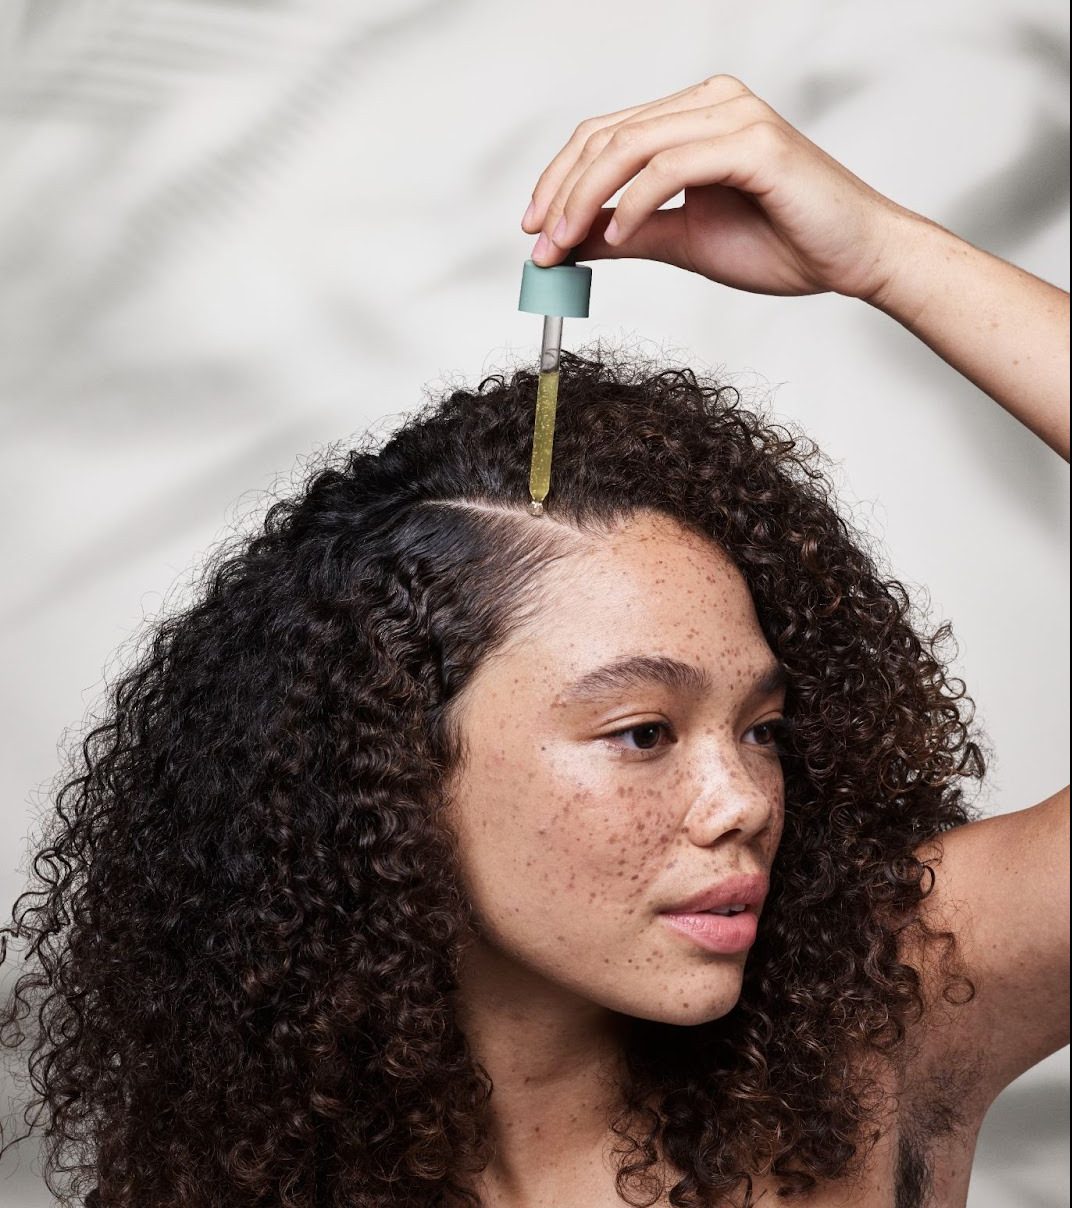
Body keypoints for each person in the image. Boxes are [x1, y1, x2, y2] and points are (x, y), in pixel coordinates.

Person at [1, 74, 1067, 1208]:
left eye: (762, 728)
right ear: (394, 769)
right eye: (643, 730)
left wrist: (883, 254)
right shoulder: (240, 1174)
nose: (742, 799)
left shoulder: (884, 1013)